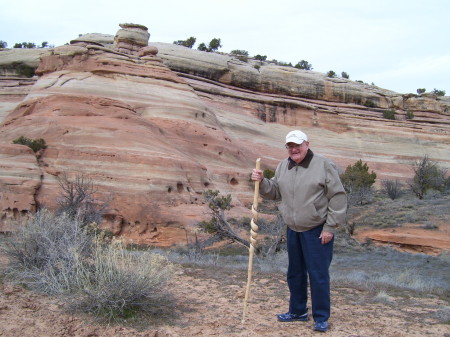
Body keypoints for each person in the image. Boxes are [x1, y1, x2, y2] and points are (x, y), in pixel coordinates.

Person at [251, 130, 347, 333]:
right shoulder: (283, 165)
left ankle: (321, 317)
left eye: (298, 145)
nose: (294, 149)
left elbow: (338, 197)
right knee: (295, 274)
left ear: (307, 145)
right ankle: (297, 311)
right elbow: (276, 191)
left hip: (317, 230)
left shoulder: (323, 165)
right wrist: (262, 182)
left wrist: (330, 227)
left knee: (318, 275)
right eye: (290, 146)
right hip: (293, 229)